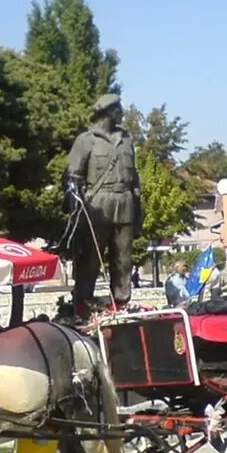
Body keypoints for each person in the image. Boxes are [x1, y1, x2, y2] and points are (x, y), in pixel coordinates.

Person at [64, 93, 142, 315]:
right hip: (96, 207)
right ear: (108, 112)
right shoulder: (86, 140)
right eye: (118, 109)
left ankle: (121, 303)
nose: (122, 113)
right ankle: (83, 302)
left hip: (125, 204)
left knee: (123, 260)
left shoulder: (126, 139)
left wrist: (139, 210)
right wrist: (76, 212)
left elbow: (134, 178)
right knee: (90, 259)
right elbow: (73, 178)